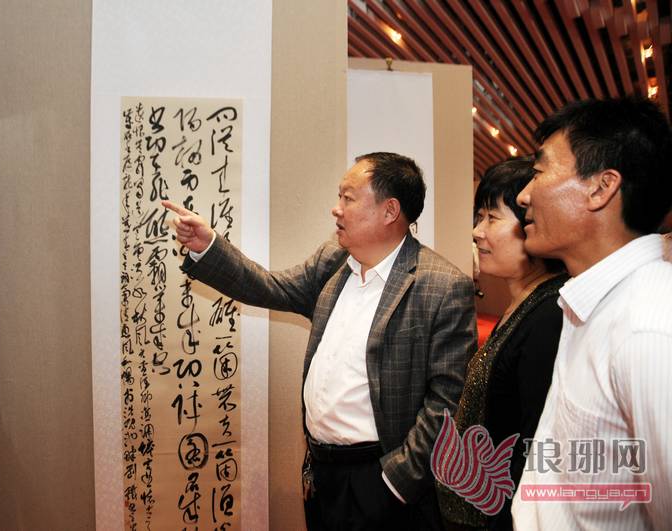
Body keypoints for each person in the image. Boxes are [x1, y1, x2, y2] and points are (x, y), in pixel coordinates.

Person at [162, 152, 477, 530]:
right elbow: (271, 287)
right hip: (322, 475)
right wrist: (209, 244)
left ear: (390, 210)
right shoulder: (334, 261)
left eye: (348, 197)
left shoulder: (441, 286)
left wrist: (395, 482)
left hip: (382, 481)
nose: (336, 208)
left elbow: (447, 403)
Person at [511, 97, 672, 530]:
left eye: (539, 171)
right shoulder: (590, 301)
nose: (524, 195)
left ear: (602, 188)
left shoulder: (649, 326)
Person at [435, 158, 567, 531]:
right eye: (479, 217)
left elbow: (533, 448)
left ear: (533, 221)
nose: (477, 232)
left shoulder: (550, 315)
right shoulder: (523, 302)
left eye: (492, 218)